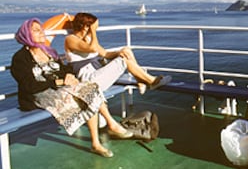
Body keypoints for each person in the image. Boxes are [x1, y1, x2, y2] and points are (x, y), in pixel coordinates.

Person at [11, 18, 133, 158]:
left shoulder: (49, 52)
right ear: (26, 35)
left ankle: (99, 139)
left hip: (58, 87)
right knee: (83, 98)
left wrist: (69, 76)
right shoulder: (20, 58)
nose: (41, 32)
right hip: (39, 94)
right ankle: (106, 131)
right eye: (36, 30)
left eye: (41, 29)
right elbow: (29, 86)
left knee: (90, 89)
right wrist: (59, 82)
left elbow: (63, 69)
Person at [64, 12, 171, 94]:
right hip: (89, 81)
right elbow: (92, 49)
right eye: (94, 27)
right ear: (85, 26)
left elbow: (105, 54)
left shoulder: (87, 39)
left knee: (126, 51)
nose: (95, 29)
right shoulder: (70, 39)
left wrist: (120, 52)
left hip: (99, 74)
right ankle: (152, 81)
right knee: (124, 61)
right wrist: (93, 31)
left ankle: (141, 81)